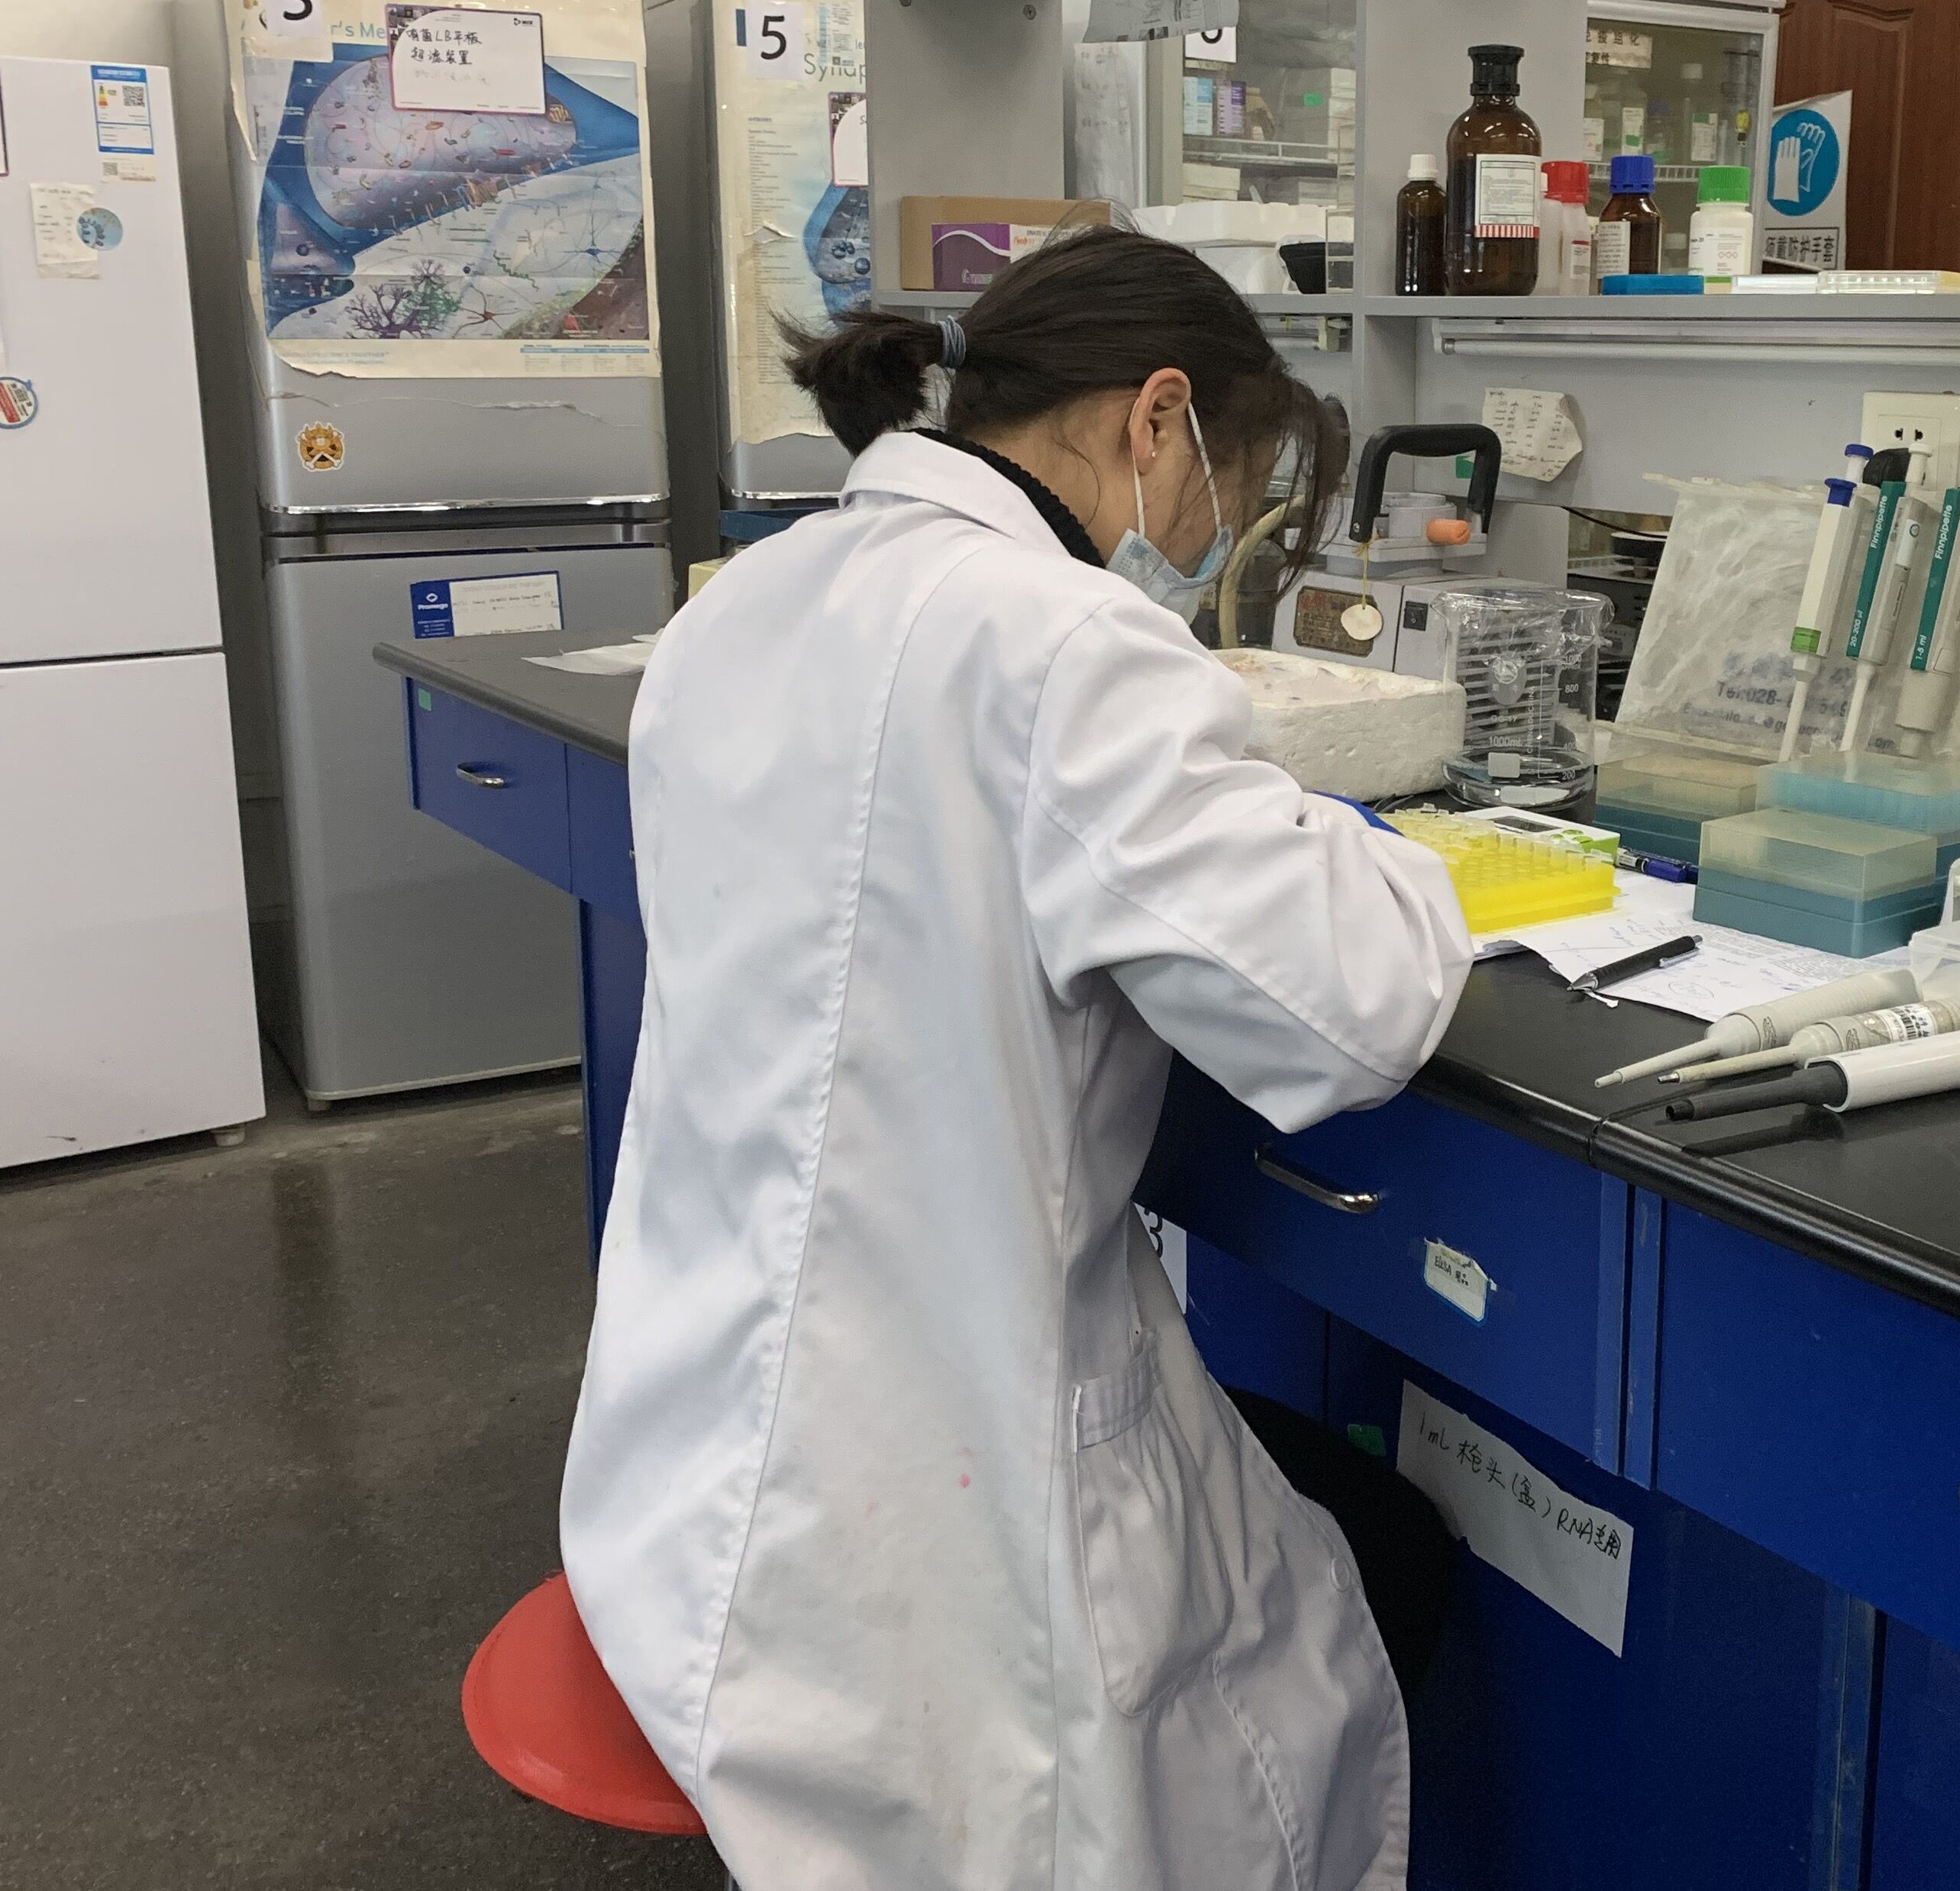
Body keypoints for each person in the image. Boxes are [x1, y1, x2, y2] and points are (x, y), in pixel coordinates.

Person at [558, 228, 1476, 1891]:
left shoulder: (747, 598)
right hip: (934, 1534)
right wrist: (1386, 849)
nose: (1206, 538)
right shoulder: (1062, 642)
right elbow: (1354, 1003)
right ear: (1156, 419)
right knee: (1380, 1569)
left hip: (679, 1473)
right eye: (1230, 487)